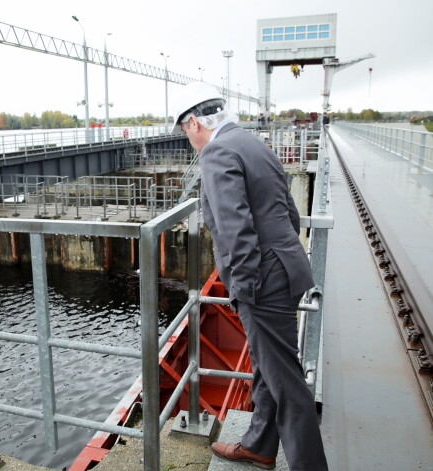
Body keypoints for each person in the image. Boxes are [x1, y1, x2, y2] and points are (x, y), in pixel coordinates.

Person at [171, 82, 328, 471]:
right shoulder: (251, 141)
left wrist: (245, 288)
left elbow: (234, 229)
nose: (187, 138)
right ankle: (259, 445)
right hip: (287, 265)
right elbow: (289, 213)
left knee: (288, 384)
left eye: (183, 130)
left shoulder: (216, 152)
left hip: (263, 279)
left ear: (193, 123)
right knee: (268, 364)